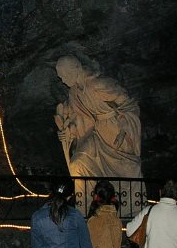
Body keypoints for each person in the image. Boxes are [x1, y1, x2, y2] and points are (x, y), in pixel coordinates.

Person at [53, 55, 142, 216]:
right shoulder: (75, 92)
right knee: (77, 164)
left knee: (126, 169)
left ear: (75, 70)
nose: (63, 81)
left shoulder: (99, 84)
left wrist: (124, 129)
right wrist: (69, 132)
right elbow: (80, 118)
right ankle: (84, 207)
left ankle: (130, 208)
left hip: (115, 130)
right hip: (96, 131)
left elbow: (129, 104)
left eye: (64, 76)